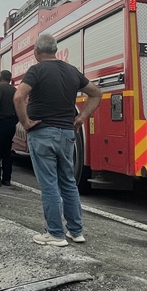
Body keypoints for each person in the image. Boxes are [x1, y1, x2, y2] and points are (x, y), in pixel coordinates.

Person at [14, 34, 103, 247]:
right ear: (55, 50)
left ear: (36, 51)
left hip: (43, 133)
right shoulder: (71, 70)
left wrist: (25, 123)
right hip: (66, 134)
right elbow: (96, 93)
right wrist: (81, 118)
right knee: (68, 183)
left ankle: (55, 233)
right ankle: (76, 230)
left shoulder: (36, 70)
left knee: (49, 184)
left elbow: (18, 97)